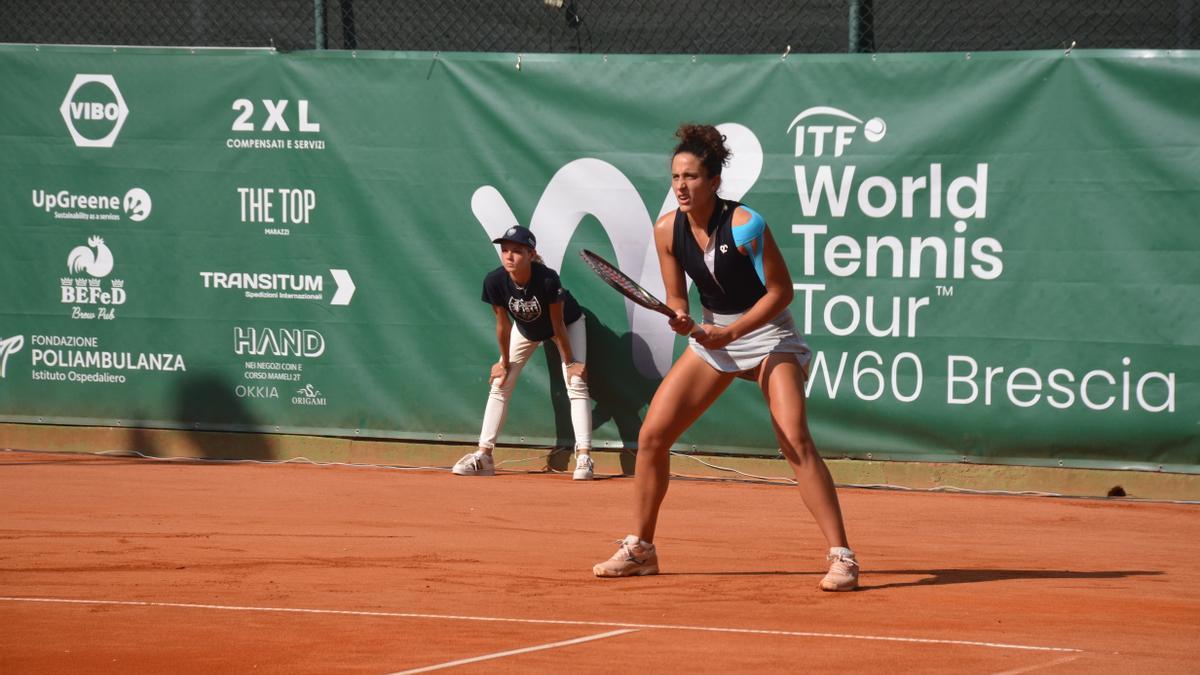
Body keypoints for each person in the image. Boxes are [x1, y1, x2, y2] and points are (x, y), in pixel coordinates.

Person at [592, 124, 859, 591]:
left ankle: (842, 556)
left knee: (794, 438)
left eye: (691, 177)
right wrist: (680, 317)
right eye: (675, 177)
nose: (681, 186)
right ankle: (641, 548)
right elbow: (678, 298)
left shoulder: (747, 226)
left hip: (770, 337)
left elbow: (781, 292)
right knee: (653, 436)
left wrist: (732, 331)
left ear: (714, 181)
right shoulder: (667, 229)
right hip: (713, 338)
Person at [453, 225, 595, 480]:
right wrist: (504, 363)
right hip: (526, 329)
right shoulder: (494, 280)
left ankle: (584, 456)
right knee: (500, 381)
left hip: (567, 324)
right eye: (505, 250)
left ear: (531, 254)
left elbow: (557, 324)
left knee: (576, 382)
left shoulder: (548, 279)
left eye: (516, 251)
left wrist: (571, 361)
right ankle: (484, 456)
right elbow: (502, 324)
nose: (508, 256)